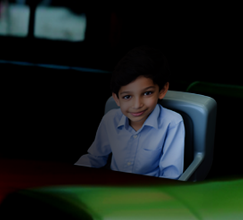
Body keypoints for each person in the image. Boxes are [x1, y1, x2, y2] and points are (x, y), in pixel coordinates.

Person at [74, 46, 184, 178]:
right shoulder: (110, 120)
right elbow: (95, 158)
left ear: (162, 90)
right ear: (117, 98)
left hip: (150, 193)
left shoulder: (172, 123)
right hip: (113, 188)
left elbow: (170, 176)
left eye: (147, 93)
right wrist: (69, 175)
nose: (137, 105)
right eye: (127, 97)